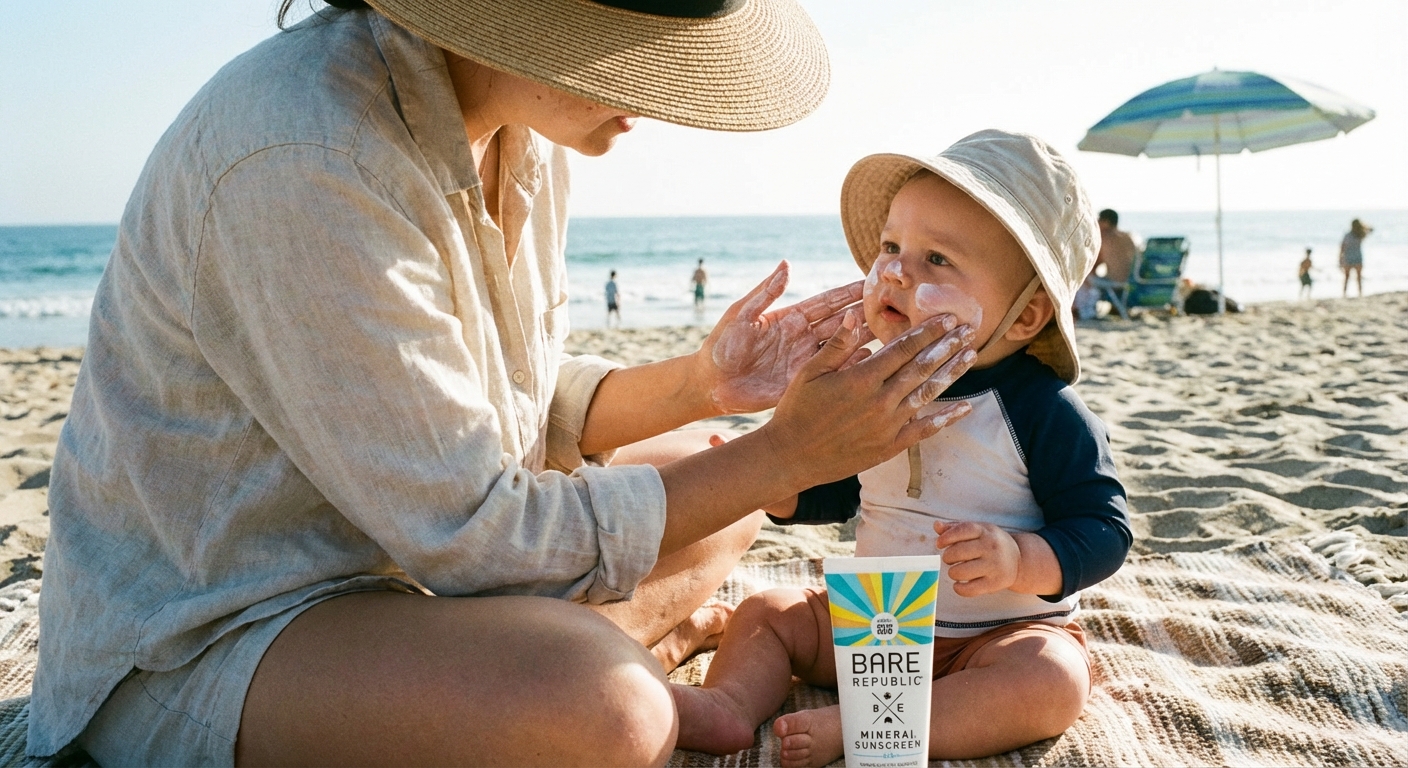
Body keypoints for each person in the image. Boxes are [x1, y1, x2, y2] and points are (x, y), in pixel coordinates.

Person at [29, 2, 982, 766]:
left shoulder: (521, 130)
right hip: (223, 628)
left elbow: (514, 399)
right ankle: (594, 661)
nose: (659, 85)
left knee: (722, 477)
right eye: (637, 40)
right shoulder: (309, 155)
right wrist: (796, 448)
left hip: (410, 574)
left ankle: (552, 660)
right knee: (605, 709)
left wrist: (704, 385)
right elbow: (477, 535)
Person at [671, 131, 1131, 765]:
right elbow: (841, 486)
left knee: (1051, 679)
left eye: (936, 259)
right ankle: (728, 706)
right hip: (878, 622)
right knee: (768, 612)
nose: (893, 270)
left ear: (1025, 319)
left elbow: (1104, 530)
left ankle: (876, 725)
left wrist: (1021, 557)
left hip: (997, 634)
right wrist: (783, 485)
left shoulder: (1044, 410)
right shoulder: (872, 387)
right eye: (892, 247)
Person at [1093, 208, 1139, 293]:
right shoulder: (1129, 237)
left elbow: (1093, 265)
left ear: (1106, 222)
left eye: (1099, 220)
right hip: (1131, 283)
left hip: (1116, 284)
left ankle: (1084, 305)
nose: (1097, 223)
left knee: (1082, 277)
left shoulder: (1105, 238)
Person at [1340, 218, 1372, 298]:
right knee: (1358, 277)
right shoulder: (1360, 234)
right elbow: (1371, 230)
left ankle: (1345, 293)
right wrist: (1364, 227)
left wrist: (1340, 258)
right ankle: (1360, 293)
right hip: (1357, 257)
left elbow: (1342, 247)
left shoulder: (1349, 235)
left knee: (1348, 277)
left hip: (1349, 257)